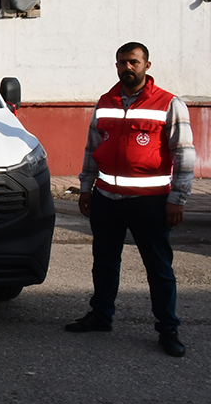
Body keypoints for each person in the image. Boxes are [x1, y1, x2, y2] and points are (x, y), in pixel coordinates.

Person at [65, 42, 195, 358]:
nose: (128, 67)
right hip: (107, 199)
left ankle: (168, 329)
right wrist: (86, 187)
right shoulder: (106, 102)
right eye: (122, 62)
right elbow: (91, 147)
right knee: (105, 262)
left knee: (159, 268)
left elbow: (184, 153)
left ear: (147, 65)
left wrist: (177, 199)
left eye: (134, 62)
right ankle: (101, 315)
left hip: (149, 202)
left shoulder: (168, 103)